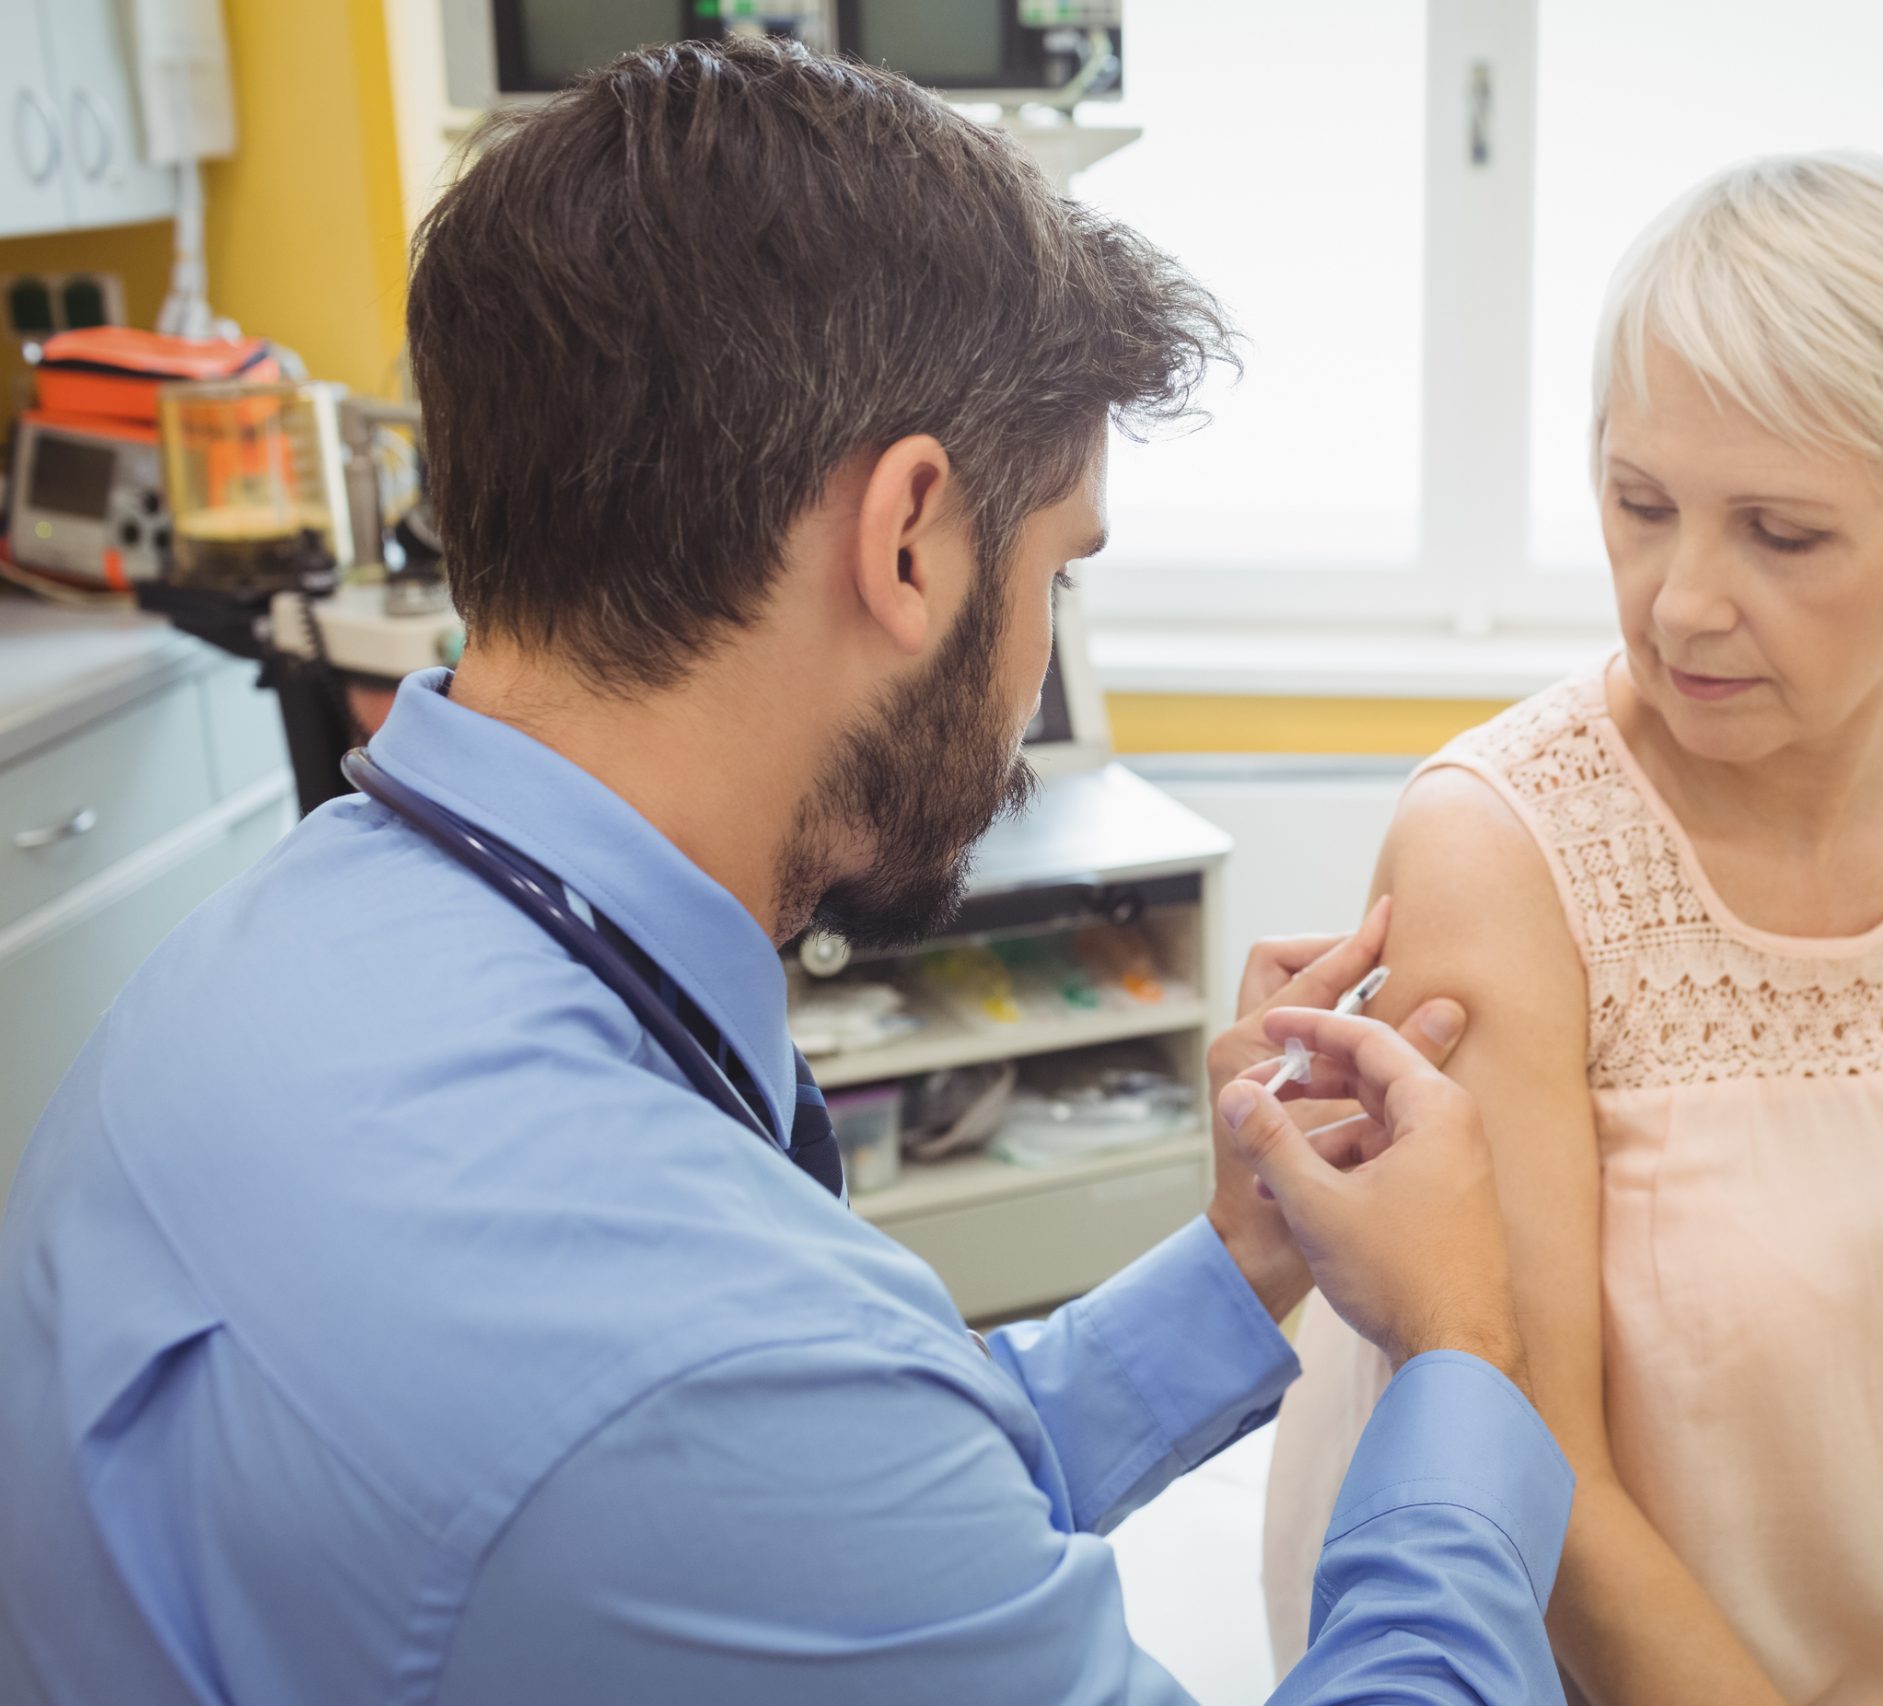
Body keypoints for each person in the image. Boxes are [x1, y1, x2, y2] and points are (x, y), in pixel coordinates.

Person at [0, 40, 1574, 1705]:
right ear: (907, 540)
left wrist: (1242, 1262)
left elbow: (844, 1530)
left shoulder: (248, 962)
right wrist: (1465, 1357)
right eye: (1057, 567)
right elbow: (766, 1464)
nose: (1040, 657)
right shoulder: (699, 1369)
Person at [1264, 154, 1883, 1706]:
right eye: (1640, 506)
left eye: (1781, 534)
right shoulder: (1503, 849)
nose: (1683, 599)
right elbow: (1529, 1447)